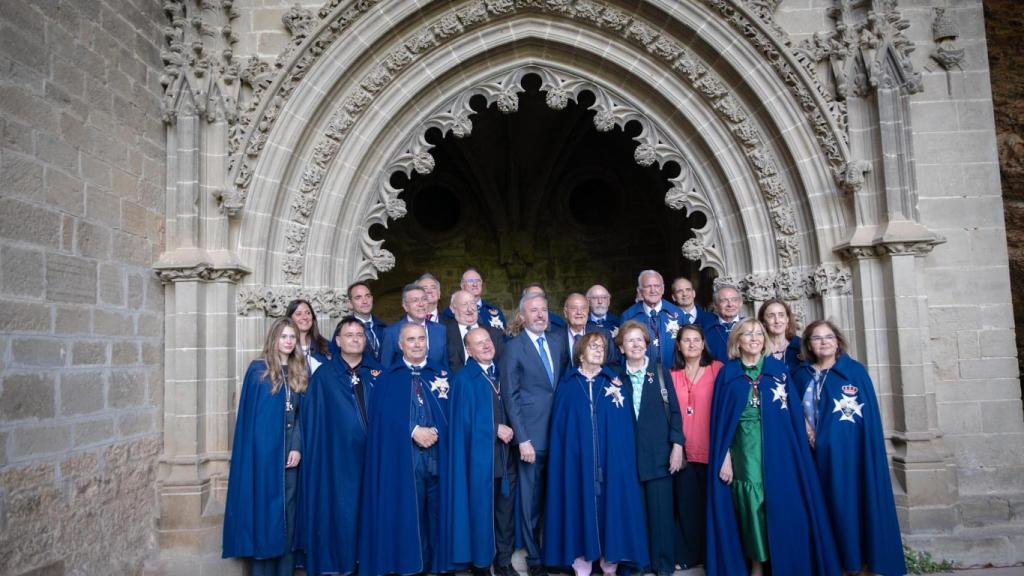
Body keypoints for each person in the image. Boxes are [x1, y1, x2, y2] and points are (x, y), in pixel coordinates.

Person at [706, 319, 839, 576]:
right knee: (751, 504)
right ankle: (757, 563)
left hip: (780, 448)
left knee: (780, 501)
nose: (754, 338)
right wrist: (724, 457)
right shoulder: (727, 373)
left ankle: (784, 562)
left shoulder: (778, 370)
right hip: (743, 449)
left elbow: (793, 412)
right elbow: (720, 422)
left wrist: (805, 436)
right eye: (747, 334)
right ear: (737, 341)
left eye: (758, 333)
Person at [794, 320, 906, 576]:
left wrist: (826, 439)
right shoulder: (801, 375)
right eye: (817, 338)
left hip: (848, 459)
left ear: (838, 340)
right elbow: (792, 411)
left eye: (829, 337)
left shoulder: (853, 373)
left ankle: (857, 565)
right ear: (808, 344)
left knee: (849, 508)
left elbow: (865, 424)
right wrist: (807, 431)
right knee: (821, 510)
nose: (823, 342)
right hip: (811, 458)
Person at [543, 332, 649, 576]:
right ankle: (581, 561)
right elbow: (562, 429)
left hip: (612, 463)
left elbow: (624, 427)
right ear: (580, 352)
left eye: (602, 347)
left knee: (613, 504)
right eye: (593, 346)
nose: (599, 350)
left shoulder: (614, 381)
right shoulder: (568, 385)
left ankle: (610, 560)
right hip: (577, 463)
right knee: (577, 502)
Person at [360, 323, 454, 576]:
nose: (416, 343)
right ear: (400, 344)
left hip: (438, 457)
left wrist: (438, 432)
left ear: (427, 342)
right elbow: (381, 420)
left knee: (438, 512)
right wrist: (412, 430)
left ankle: (439, 566)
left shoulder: (442, 373)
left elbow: (454, 415)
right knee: (408, 513)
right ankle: (412, 565)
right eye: (410, 339)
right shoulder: (388, 378)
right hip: (404, 460)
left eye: (421, 338)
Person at [223, 318, 308, 575]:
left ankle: (285, 570)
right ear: (274, 339)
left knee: (289, 513)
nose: (289, 341)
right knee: (265, 511)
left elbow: (302, 415)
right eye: (284, 336)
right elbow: (249, 421)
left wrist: (297, 446)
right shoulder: (258, 370)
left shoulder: (300, 371)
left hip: (290, 456)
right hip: (262, 456)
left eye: (292, 337)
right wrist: (259, 453)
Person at [297, 316, 380, 576]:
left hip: (373, 457)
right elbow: (313, 420)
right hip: (337, 459)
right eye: (350, 335)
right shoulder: (325, 376)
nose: (355, 339)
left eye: (360, 335)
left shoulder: (378, 372)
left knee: (372, 511)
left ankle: (369, 562)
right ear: (338, 340)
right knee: (342, 511)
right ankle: (341, 563)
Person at [500, 290, 568, 576]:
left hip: (560, 433)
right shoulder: (513, 347)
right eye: (533, 310)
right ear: (522, 316)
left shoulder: (558, 341)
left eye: (543, 309)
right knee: (530, 500)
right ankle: (534, 558)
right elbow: (510, 396)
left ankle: (556, 552)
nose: (540, 315)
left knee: (556, 496)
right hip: (531, 436)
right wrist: (522, 439)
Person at [613, 320, 684, 576]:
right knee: (634, 514)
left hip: (659, 454)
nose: (635, 345)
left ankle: (663, 564)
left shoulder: (660, 372)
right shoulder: (615, 378)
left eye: (639, 340)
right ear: (621, 347)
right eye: (629, 340)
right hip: (628, 457)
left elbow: (675, 413)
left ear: (647, 344)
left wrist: (678, 446)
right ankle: (637, 563)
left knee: (661, 514)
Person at [447, 327, 518, 576]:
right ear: (468, 350)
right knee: (482, 513)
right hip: (480, 460)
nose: (486, 345)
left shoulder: (503, 372)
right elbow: (461, 424)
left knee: (505, 514)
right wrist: (493, 428)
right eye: (478, 343)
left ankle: (504, 561)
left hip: (507, 457)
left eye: (487, 340)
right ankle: (482, 564)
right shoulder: (464, 379)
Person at [668, 323, 722, 569]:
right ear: (678, 345)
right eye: (686, 340)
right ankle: (689, 555)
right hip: (684, 452)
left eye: (696, 340)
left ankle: (713, 554)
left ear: (703, 343)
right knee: (688, 506)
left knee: (712, 506)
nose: (691, 344)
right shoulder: (671, 374)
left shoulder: (717, 370)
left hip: (713, 449)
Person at [620, 270, 686, 371]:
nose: (653, 290)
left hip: (675, 374)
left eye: (657, 286)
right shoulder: (628, 316)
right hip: (642, 377)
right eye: (648, 286)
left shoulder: (678, 314)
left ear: (663, 289)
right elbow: (622, 351)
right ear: (639, 290)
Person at [380, 283, 448, 368]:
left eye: (424, 299)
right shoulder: (391, 333)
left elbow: (445, 366)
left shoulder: (440, 330)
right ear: (405, 306)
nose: (421, 304)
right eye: (415, 300)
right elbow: (386, 367)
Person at [442, 289, 505, 374]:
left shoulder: (494, 333)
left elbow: (503, 365)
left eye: (473, 304)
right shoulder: (444, 334)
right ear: (453, 309)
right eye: (464, 304)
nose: (470, 309)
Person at [443, 267, 508, 332]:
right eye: (470, 281)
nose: (475, 284)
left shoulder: (494, 310)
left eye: (478, 280)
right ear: (462, 286)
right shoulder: (450, 312)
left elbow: (504, 336)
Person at [563, 293, 618, 367]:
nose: (579, 312)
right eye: (573, 308)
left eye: (583, 308)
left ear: (588, 311)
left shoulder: (603, 334)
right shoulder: (555, 338)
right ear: (565, 312)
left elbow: (613, 365)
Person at [757, 298, 801, 373]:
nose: (777, 321)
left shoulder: (801, 345)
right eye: (771, 316)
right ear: (763, 321)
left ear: (787, 319)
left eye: (781, 315)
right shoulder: (757, 348)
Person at [287, 299, 331, 373]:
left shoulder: (327, 346)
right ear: (289, 319)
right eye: (298, 314)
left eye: (308, 313)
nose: (305, 317)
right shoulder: (285, 346)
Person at [702, 285, 744, 363]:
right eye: (724, 300)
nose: (730, 304)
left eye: (734, 300)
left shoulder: (751, 327)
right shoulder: (706, 330)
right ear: (715, 305)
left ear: (740, 303)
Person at [348, 281, 387, 364]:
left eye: (368, 296)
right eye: (358, 297)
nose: (365, 301)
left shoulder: (384, 328)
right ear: (350, 304)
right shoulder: (344, 329)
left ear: (372, 299)